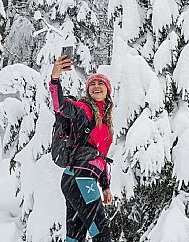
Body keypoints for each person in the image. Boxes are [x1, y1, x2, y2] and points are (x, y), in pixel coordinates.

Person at [49, 54, 114, 242]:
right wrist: (55, 78)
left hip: (77, 180)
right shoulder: (84, 110)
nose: (96, 86)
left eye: (100, 83)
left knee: (75, 237)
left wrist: (106, 186)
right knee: (102, 235)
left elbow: (100, 157)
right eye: (92, 84)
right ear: (88, 91)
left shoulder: (106, 123)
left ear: (108, 91)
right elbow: (60, 107)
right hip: (80, 178)